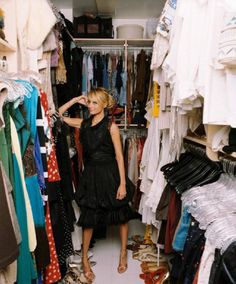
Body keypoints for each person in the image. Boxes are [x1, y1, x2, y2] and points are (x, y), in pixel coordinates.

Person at [59, 88, 134, 282]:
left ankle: (124, 252)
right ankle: (84, 259)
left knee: (121, 214)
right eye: (89, 102)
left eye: (94, 102)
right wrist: (76, 99)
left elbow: (119, 156)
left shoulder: (111, 126)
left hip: (110, 173)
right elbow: (58, 115)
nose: (90, 106)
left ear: (103, 105)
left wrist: (123, 184)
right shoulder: (84, 124)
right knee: (89, 216)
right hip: (91, 174)